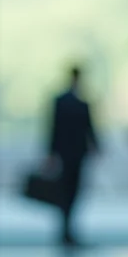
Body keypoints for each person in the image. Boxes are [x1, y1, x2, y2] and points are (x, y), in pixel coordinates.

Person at [46, 66, 98, 245]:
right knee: (69, 191)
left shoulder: (66, 101)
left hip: (70, 153)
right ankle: (67, 230)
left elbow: (88, 129)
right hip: (72, 153)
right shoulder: (76, 102)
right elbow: (55, 128)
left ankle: (67, 229)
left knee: (71, 191)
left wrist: (51, 153)